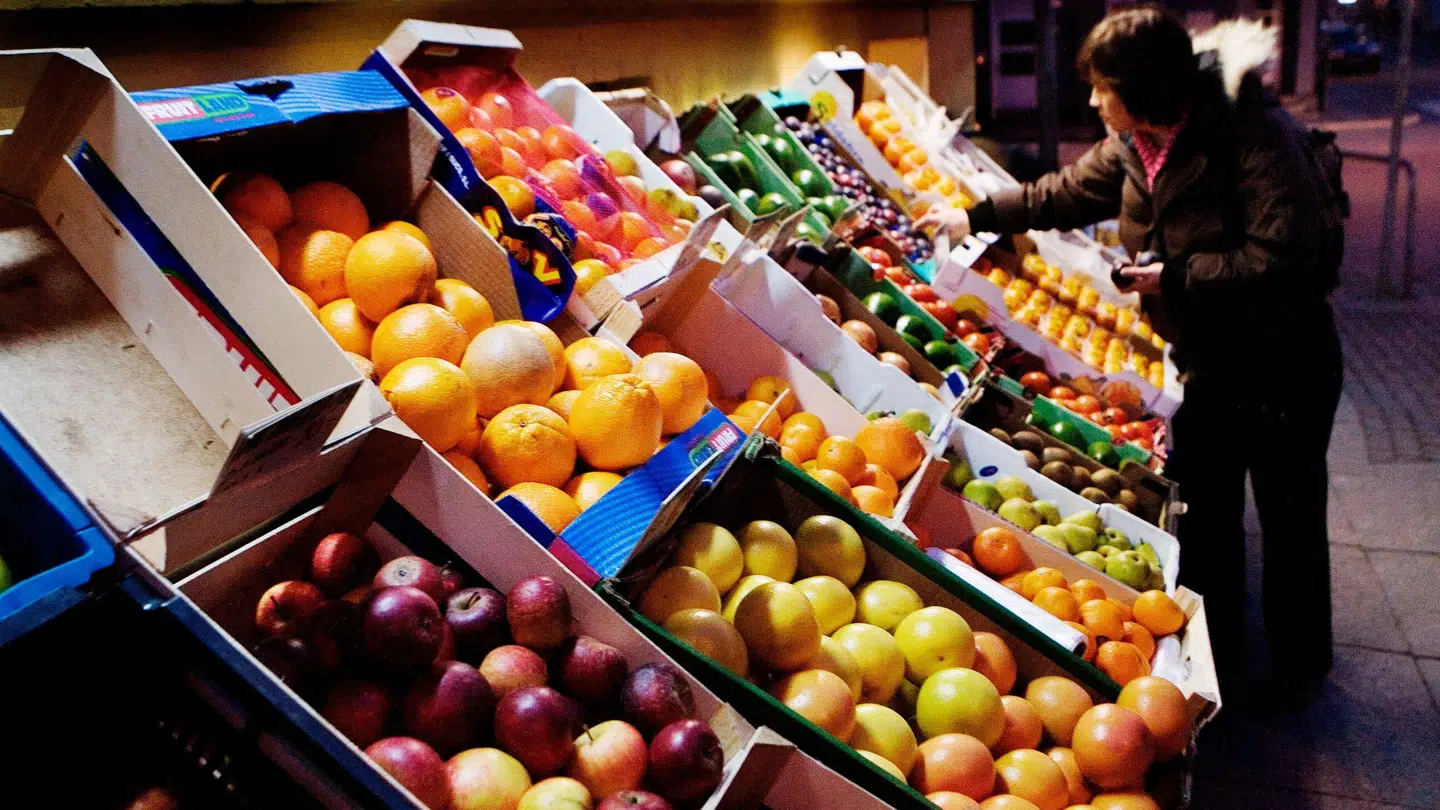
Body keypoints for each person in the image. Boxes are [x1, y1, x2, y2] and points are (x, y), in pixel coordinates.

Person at [921, 8, 1344, 710]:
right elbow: (1066, 191)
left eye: (1102, 86)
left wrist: (1175, 276)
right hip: (1204, 359)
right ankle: (1223, 660)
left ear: (1141, 86)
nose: (1091, 101)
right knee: (1206, 511)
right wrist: (978, 215)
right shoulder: (1138, 141)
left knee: (1289, 513)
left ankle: (1300, 675)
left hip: (1282, 362)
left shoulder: (1252, 134)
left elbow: (1285, 257)